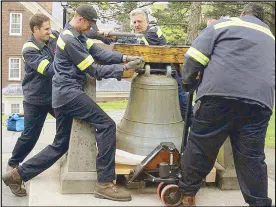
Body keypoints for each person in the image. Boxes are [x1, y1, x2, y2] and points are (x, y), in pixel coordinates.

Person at [2, 5, 144, 202]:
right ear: (81, 20)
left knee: (60, 144)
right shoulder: (69, 40)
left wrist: (125, 57)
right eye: (90, 24)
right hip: (69, 94)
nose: (91, 28)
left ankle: (17, 175)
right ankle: (104, 183)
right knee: (106, 125)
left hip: (61, 96)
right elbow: (93, 70)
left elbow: (98, 53)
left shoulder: (76, 35)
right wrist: (124, 69)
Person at [179, 3, 275, 206]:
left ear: (243, 14)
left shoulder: (223, 25)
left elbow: (194, 56)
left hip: (219, 96)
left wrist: (187, 82)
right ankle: (259, 203)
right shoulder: (271, 38)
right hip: (259, 104)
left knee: (201, 145)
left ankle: (187, 194)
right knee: (252, 157)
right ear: (261, 19)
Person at [4, 13, 59, 196]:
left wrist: (98, 34)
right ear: (35, 29)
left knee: (70, 123)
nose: (49, 32)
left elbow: (71, 35)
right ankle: (13, 166)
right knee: (30, 135)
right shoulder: (29, 49)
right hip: (35, 99)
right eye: (46, 29)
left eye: (50, 28)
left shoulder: (51, 38)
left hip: (53, 97)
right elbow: (48, 69)